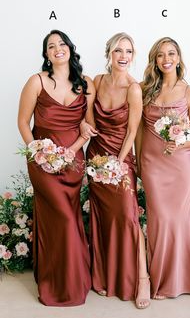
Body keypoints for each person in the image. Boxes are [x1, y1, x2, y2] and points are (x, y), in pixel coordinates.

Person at [17, 29, 95, 306]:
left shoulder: (86, 84)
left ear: (70, 49)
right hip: (43, 163)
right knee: (61, 218)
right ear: (46, 55)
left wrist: (78, 139)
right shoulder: (36, 81)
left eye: (62, 44)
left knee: (69, 217)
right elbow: (23, 123)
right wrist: (39, 151)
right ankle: (58, 284)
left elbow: (88, 124)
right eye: (51, 46)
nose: (58, 49)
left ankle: (76, 278)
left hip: (74, 161)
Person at [84, 33, 150, 309]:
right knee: (103, 217)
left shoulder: (134, 89)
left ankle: (142, 279)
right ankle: (104, 275)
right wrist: (88, 133)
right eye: (118, 50)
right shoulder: (97, 81)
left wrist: (118, 163)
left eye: (129, 51)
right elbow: (87, 114)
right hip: (96, 157)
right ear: (108, 54)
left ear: (133, 56)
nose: (124, 56)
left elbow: (132, 130)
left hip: (120, 160)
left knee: (127, 217)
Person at [136, 37, 190, 299]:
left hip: (181, 166)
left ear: (178, 58)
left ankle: (183, 282)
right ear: (154, 60)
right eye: (161, 55)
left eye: (171, 54)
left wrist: (181, 142)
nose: (166, 59)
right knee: (159, 223)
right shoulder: (145, 90)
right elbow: (140, 129)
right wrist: (140, 162)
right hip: (153, 165)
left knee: (180, 223)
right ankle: (161, 280)